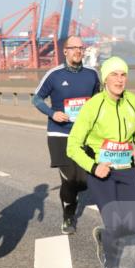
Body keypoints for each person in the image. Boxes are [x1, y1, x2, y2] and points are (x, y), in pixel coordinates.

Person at [66, 56, 135, 268]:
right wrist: (94, 167)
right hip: (101, 172)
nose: (119, 80)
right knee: (114, 223)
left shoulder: (133, 101)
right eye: (114, 75)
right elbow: (72, 146)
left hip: (127, 168)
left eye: (123, 75)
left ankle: (103, 236)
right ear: (105, 79)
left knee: (131, 225)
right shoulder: (94, 105)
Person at [32, 36, 101, 234]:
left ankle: (73, 196)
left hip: (86, 135)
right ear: (65, 51)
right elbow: (37, 99)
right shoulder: (54, 75)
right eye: (73, 48)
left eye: (81, 48)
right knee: (70, 178)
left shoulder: (92, 74)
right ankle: (68, 215)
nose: (78, 51)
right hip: (60, 133)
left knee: (84, 181)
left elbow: (99, 100)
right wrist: (52, 113)